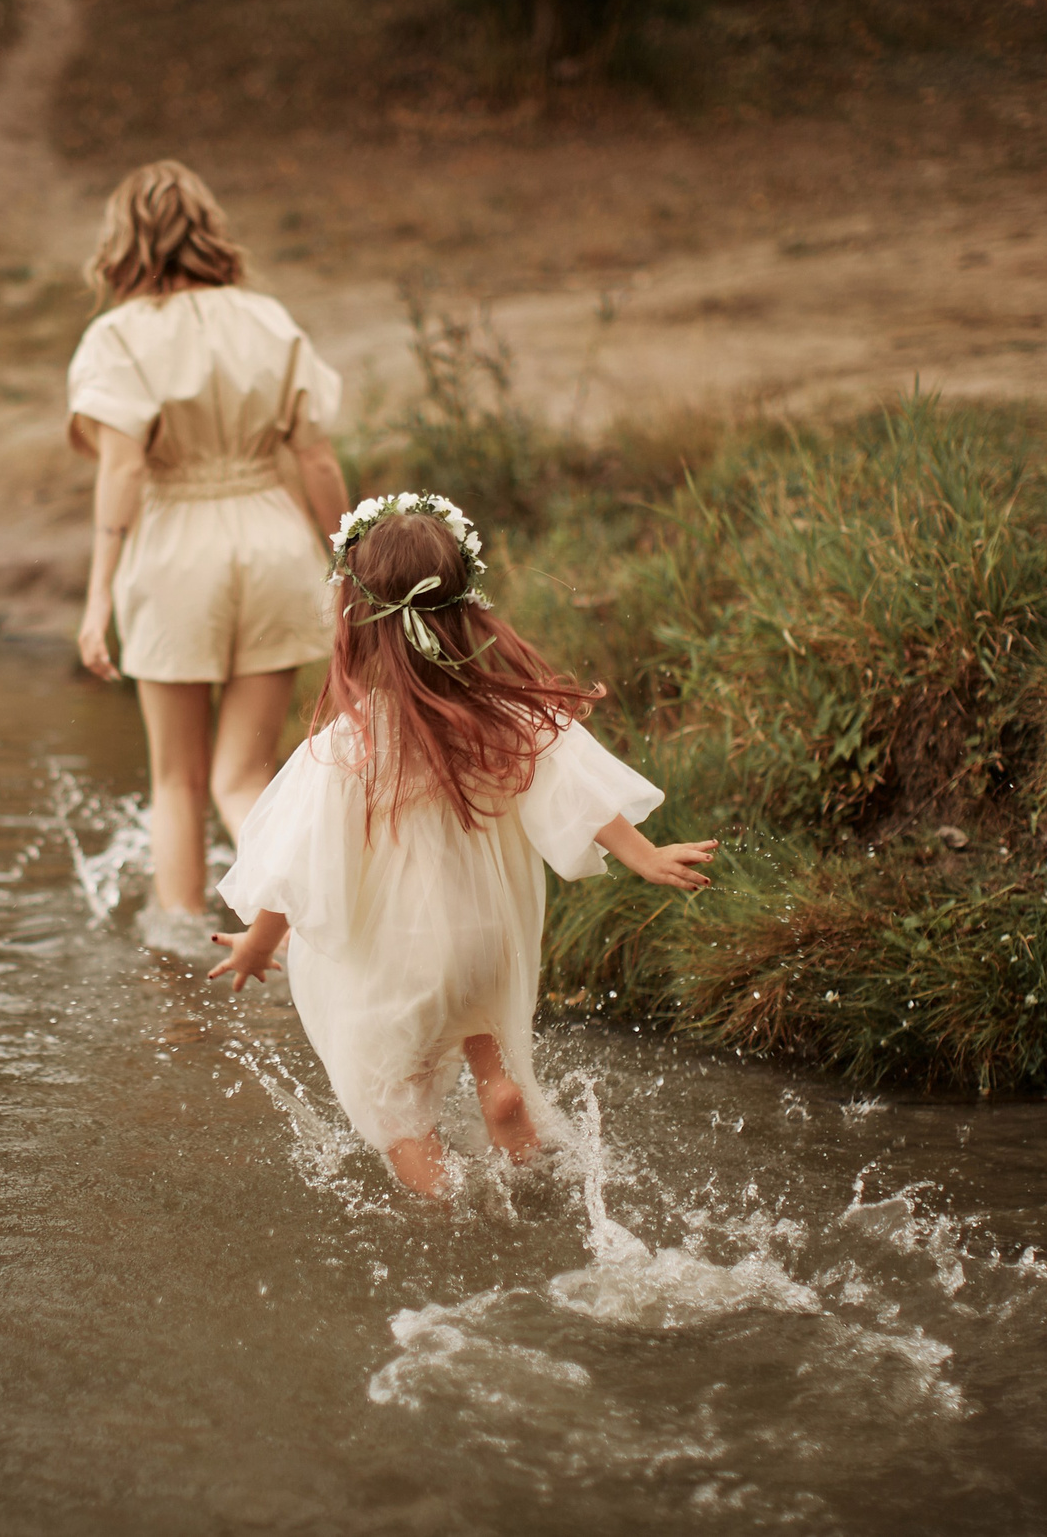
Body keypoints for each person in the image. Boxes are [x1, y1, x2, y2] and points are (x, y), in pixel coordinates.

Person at [207, 495, 718, 1199]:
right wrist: (644, 854)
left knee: (394, 1098)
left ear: (355, 621)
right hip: (489, 935)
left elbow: (299, 867)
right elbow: (571, 780)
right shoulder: (499, 716)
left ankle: (442, 1212)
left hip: (401, 953)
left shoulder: (348, 746)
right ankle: (504, 1094)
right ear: (465, 611)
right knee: (486, 1039)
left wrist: (259, 945)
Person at [69, 161, 351, 950]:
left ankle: (180, 963)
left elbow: (123, 468)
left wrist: (96, 601)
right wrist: (350, 562)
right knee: (244, 775)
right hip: (273, 543)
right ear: (210, 229)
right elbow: (318, 460)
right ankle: (301, 927)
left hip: (173, 552)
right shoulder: (268, 319)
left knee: (177, 781)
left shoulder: (117, 336)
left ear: (122, 241)